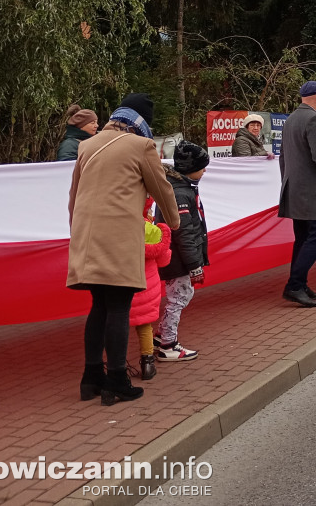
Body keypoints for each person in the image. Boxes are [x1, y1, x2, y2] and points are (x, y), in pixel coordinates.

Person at [67, 92, 181, 405]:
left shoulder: (87, 145)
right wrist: (173, 222)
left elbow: (73, 196)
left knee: (99, 306)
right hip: (118, 238)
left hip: (87, 238)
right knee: (119, 306)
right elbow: (162, 189)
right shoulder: (141, 146)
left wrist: (76, 231)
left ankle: (91, 378)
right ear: (142, 124)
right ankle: (117, 379)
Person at [278, 80, 316, 308]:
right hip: (310, 189)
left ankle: (300, 283)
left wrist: (288, 180)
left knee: (302, 238)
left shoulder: (290, 119)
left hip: (293, 187)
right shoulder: (314, 119)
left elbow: (283, 156)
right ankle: (294, 285)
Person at [153, 141, 210, 362]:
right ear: (190, 168)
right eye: (202, 166)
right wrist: (195, 265)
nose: (205, 171)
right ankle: (168, 343)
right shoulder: (180, 194)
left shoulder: (181, 189)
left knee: (181, 295)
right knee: (179, 297)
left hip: (178, 257)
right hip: (178, 259)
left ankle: (161, 335)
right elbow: (183, 233)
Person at [128, 206, 171, 381]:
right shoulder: (152, 231)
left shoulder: (120, 227)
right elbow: (164, 259)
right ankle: (147, 364)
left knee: (119, 324)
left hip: (125, 284)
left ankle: (119, 366)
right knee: (145, 326)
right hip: (147, 286)